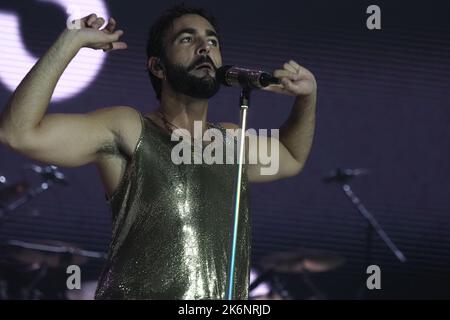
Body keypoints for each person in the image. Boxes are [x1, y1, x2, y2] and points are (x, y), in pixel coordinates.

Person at [0, 4, 317, 299]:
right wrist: (71, 42)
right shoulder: (129, 128)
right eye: (187, 39)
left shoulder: (229, 141)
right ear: (158, 67)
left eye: (212, 41)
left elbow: (291, 157)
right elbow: (17, 133)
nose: (205, 47)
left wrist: (307, 98)